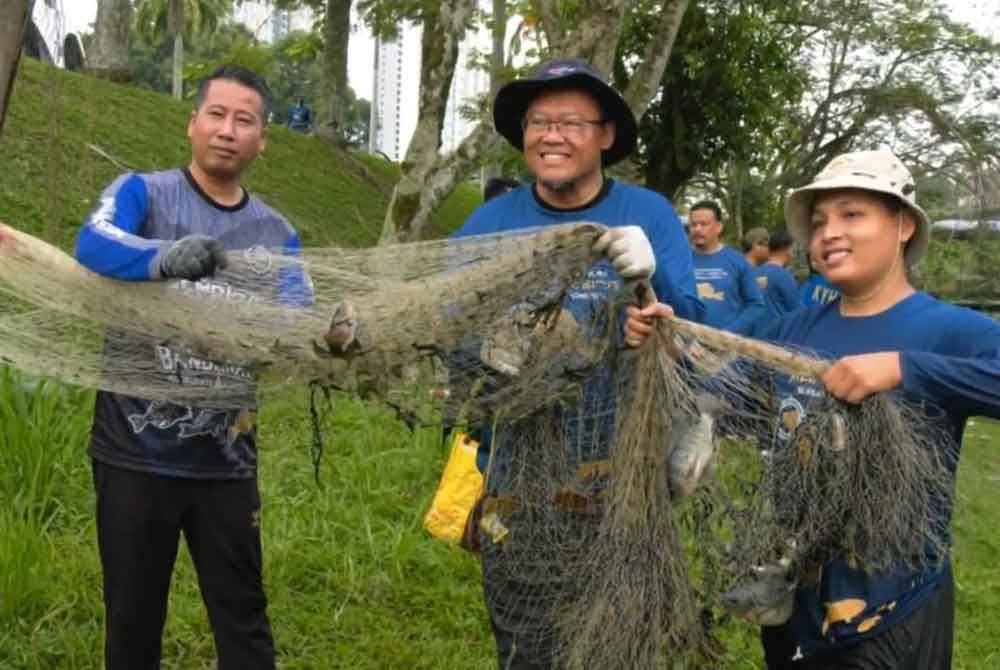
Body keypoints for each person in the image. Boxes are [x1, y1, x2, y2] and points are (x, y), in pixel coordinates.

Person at [626, 149, 1000, 669]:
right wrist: (665, 344)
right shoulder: (795, 331)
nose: (829, 233)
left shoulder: (950, 330)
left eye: (852, 215)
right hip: (796, 601)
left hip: (893, 610)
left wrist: (904, 368)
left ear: (904, 226)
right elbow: (719, 396)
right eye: (820, 221)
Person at [453, 57, 704, 669]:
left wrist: (655, 279)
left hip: (623, 473)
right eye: (540, 122)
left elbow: (698, 328)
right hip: (517, 475)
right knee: (527, 643)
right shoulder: (489, 224)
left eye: (570, 121)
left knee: (618, 642)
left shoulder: (648, 215)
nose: (552, 136)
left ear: (606, 135)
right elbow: (452, 339)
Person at [75, 64, 309, 670]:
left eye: (245, 120)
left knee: (244, 618)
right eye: (217, 114)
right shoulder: (143, 194)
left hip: (225, 463)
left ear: (262, 141)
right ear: (192, 124)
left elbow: (297, 316)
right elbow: (93, 241)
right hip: (133, 452)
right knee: (131, 619)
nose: (228, 130)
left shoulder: (278, 232)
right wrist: (163, 258)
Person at [688, 200, 767, 333]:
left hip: (726, 347)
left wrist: (729, 333)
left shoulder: (737, 261)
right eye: (693, 224)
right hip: (686, 345)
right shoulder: (679, 260)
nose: (697, 229)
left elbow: (756, 305)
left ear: (719, 227)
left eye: (704, 224)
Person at [755, 228, 801, 317]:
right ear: (788, 250)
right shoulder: (783, 275)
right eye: (793, 249)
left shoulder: (755, 273)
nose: (794, 253)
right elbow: (797, 311)